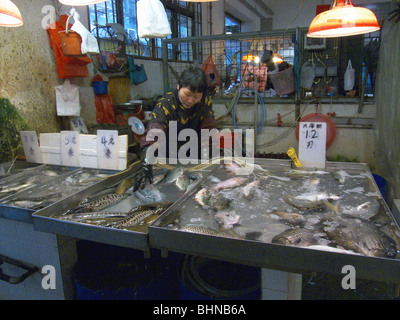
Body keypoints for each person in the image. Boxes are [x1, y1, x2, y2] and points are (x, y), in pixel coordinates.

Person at [134, 66, 216, 191]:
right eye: (187, 94)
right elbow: (154, 133)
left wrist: (207, 158)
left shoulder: (205, 101)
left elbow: (208, 128)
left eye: (196, 97)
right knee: (169, 189)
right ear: (178, 86)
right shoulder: (165, 104)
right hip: (168, 155)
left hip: (194, 152)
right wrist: (146, 163)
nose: (190, 100)